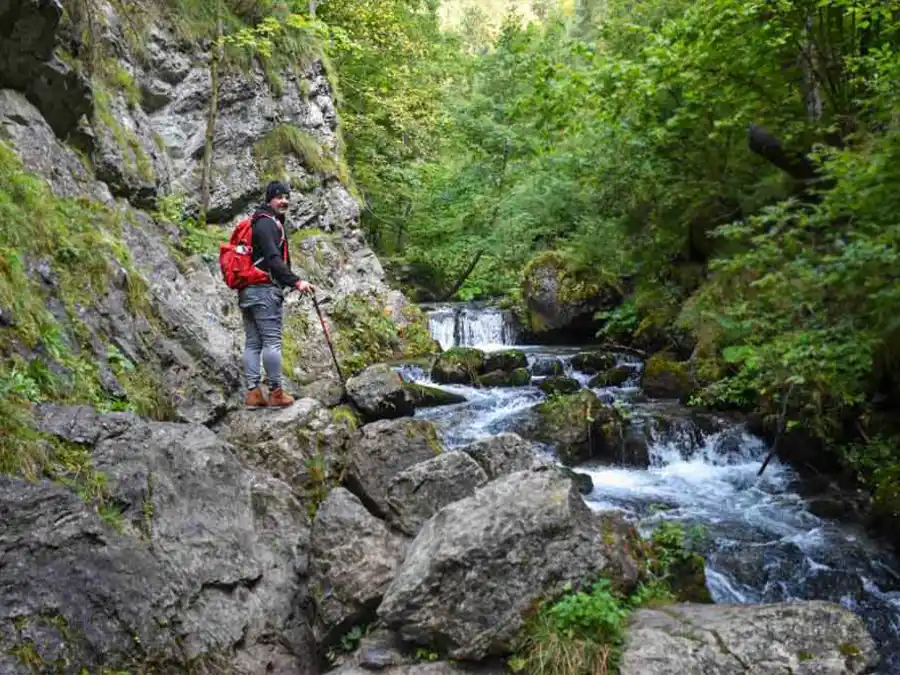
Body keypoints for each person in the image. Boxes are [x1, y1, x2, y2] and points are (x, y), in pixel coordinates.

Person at [240, 180, 314, 408]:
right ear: (269, 199)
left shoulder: (257, 222)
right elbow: (274, 260)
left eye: (286, 197)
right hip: (264, 291)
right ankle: (276, 393)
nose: (284, 201)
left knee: (252, 342)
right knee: (271, 342)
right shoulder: (268, 224)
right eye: (279, 197)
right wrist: (296, 281)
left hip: (247, 290)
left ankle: (253, 394)